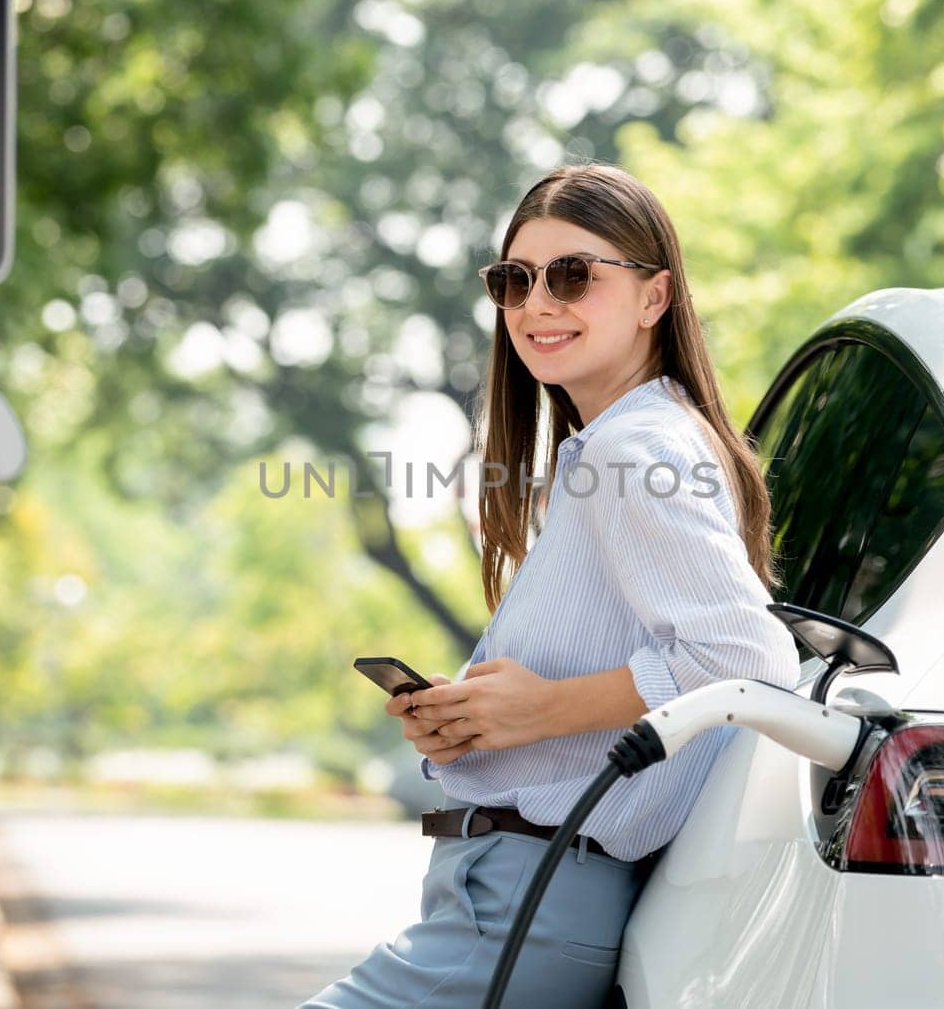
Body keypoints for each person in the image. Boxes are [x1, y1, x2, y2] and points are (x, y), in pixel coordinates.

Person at [300, 162, 800, 1008]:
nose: (536, 304)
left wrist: (536, 710)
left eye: (574, 275)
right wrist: (477, 720)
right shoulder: (631, 443)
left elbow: (748, 658)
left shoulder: (632, 448)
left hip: (524, 900)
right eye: (514, 280)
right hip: (512, 894)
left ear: (655, 297)